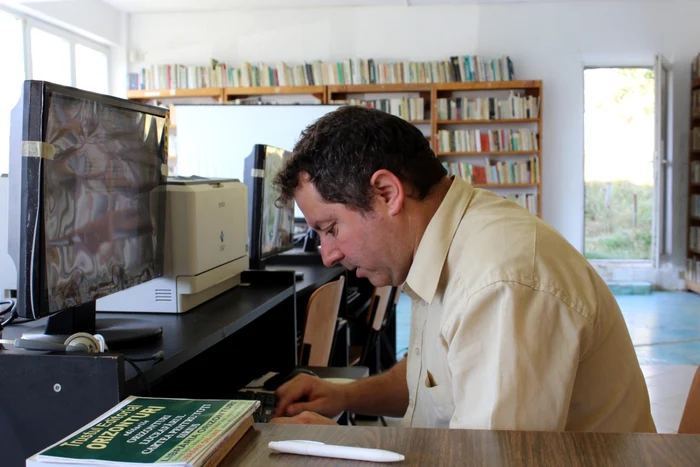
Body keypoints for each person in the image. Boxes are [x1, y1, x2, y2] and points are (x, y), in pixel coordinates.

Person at [269, 105, 656, 432]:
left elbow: (488, 461)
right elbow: (436, 380)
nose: (327, 255)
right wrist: (343, 395)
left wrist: (344, 448)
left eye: (331, 229)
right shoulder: (445, 238)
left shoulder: (498, 283)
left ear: (387, 193)